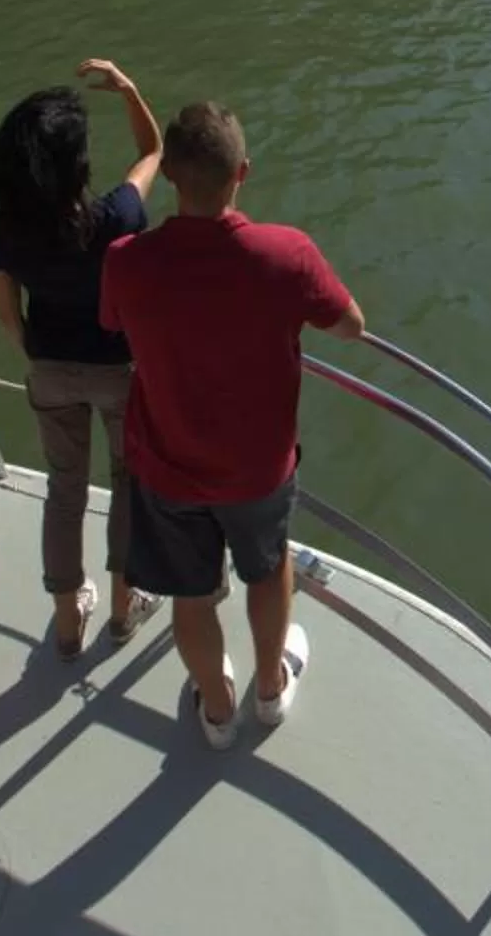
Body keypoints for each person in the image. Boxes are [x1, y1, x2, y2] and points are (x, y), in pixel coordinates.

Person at [100, 102, 363, 749]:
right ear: (242, 172)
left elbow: (111, 323)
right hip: (259, 467)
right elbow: (351, 324)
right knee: (268, 571)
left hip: (167, 465)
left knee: (191, 595)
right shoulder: (286, 254)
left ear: (170, 180)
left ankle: (216, 711)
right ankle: (270, 689)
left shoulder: (128, 261)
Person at [0, 59, 164, 659]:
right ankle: (121, 606)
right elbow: (153, 152)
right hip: (119, 370)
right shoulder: (114, 219)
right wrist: (130, 91)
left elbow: (8, 314)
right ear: (76, 164)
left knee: (64, 491)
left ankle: (64, 619)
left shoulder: (5, 228)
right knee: (128, 485)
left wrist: (34, 351)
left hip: (51, 369)